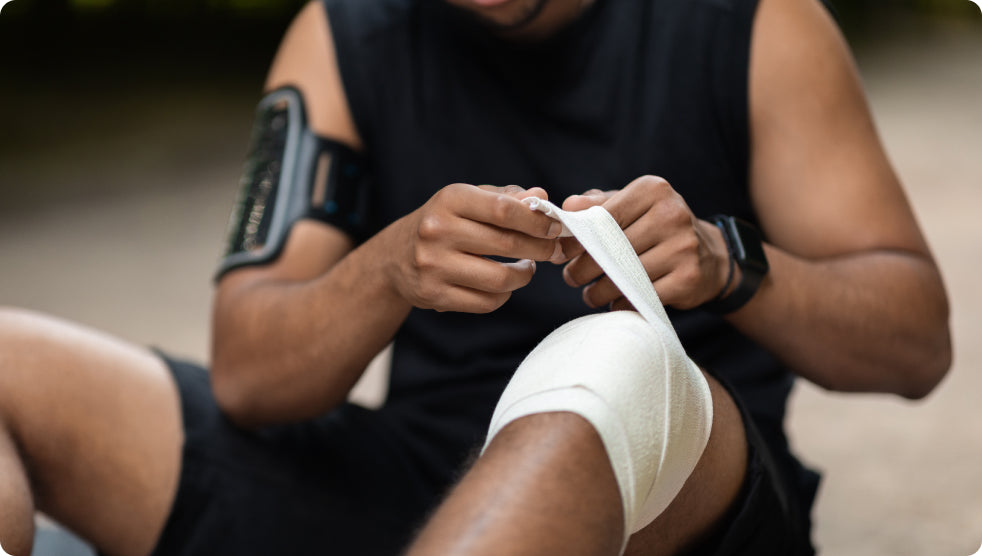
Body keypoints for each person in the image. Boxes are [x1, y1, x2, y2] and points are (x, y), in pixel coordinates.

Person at [0, 0, 952, 554]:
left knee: (608, 358)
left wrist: (731, 263)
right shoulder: (342, 32)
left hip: (674, 505)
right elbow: (252, 378)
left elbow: (916, 344)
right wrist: (384, 271)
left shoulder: (756, 20)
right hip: (409, 481)